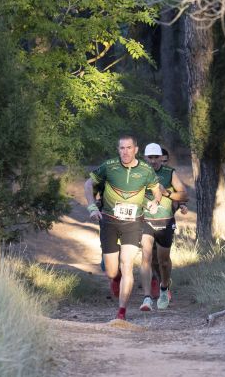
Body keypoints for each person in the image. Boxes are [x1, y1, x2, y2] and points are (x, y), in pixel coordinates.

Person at [84, 135, 162, 320]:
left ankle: (121, 312)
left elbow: (156, 190)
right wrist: (92, 206)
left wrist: (155, 202)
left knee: (127, 264)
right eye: (122, 148)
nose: (125, 151)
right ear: (118, 150)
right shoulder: (109, 166)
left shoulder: (145, 170)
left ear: (136, 149)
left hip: (133, 223)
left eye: (129, 148)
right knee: (112, 270)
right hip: (109, 221)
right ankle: (115, 272)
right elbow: (89, 183)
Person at [139, 143, 188, 311]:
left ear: (161, 157)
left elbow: (184, 194)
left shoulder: (169, 173)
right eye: (149, 158)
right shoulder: (138, 173)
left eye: (155, 157)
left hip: (165, 221)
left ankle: (164, 287)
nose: (153, 161)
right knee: (146, 257)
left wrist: (167, 193)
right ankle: (146, 298)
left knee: (163, 262)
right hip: (145, 220)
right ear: (144, 158)